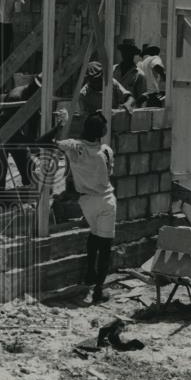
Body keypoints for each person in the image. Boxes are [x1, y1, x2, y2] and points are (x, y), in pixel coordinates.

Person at [38, 109, 117, 304]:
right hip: (105, 200)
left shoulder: (73, 147)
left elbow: (42, 142)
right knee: (105, 246)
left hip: (86, 202)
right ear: (101, 132)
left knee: (93, 234)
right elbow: (110, 173)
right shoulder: (106, 151)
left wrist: (60, 125)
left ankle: (90, 273)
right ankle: (99, 289)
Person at [0, 74, 41, 206]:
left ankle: (30, 197)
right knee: (0, 169)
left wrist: (33, 142)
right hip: (0, 133)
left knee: (28, 165)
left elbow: (34, 120)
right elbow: (8, 126)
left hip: (16, 133)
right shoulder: (16, 97)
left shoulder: (34, 97)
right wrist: (28, 142)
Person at [114, 39, 148, 104]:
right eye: (124, 51)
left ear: (133, 53)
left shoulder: (139, 75)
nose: (125, 54)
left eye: (129, 51)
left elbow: (142, 99)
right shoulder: (113, 70)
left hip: (129, 111)